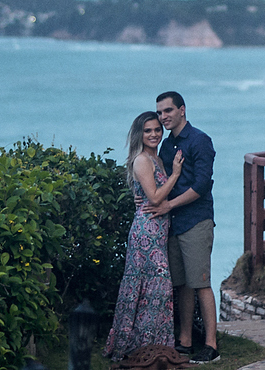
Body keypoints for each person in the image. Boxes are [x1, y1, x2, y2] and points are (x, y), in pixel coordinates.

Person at [103, 111, 184, 362]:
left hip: (158, 233)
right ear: (140, 133)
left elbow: (147, 193)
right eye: (148, 130)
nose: (153, 134)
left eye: (157, 130)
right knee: (155, 286)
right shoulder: (142, 160)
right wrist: (176, 175)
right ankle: (138, 346)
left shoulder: (156, 158)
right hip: (145, 234)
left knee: (154, 289)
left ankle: (153, 346)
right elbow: (156, 198)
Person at [147, 91, 218, 363]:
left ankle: (211, 345)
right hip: (174, 224)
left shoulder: (200, 141)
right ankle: (185, 340)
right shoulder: (166, 146)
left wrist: (169, 206)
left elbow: (201, 186)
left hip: (196, 220)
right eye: (160, 112)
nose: (164, 116)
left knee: (201, 283)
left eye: (168, 111)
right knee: (182, 285)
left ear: (182, 110)